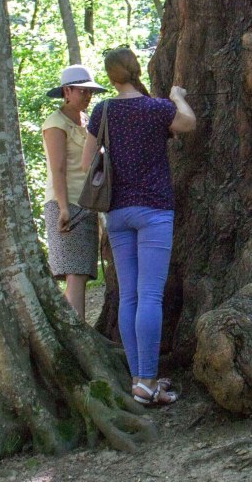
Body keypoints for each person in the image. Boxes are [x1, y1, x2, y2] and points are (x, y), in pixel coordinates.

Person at [82, 47, 196, 405]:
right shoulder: (157, 108)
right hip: (155, 210)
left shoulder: (102, 111)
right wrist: (177, 97)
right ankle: (148, 381)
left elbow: (88, 162)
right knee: (149, 296)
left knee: (129, 296)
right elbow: (188, 123)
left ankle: (139, 380)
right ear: (133, 71)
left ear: (110, 76)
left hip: (117, 212)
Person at [43, 64, 108, 319]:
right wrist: (63, 208)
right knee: (75, 274)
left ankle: (79, 330)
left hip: (86, 203)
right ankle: (78, 331)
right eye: (82, 91)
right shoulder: (55, 123)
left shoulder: (86, 121)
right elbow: (57, 168)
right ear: (67, 91)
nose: (87, 96)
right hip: (66, 203)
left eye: (90, 92)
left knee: (80, 271)